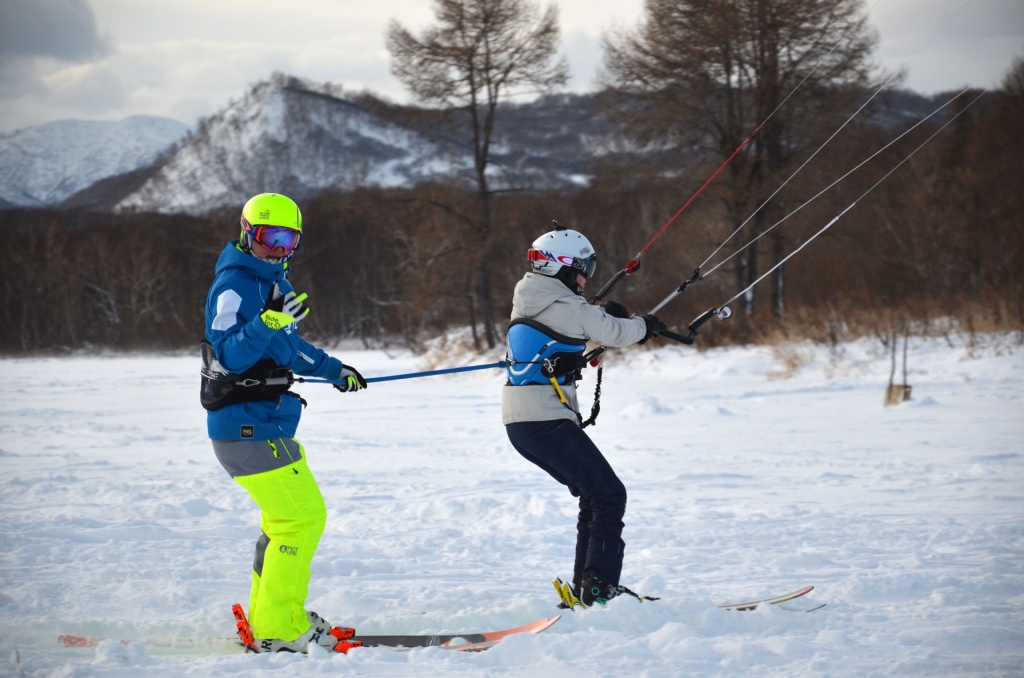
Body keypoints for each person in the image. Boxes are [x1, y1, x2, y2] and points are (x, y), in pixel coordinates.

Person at [201, 193, 368, 653]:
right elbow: (230, 356)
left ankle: (269, 619)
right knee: (302, 518)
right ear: (247, 233)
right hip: (244, 425)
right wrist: (266, 323)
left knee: (284, 524)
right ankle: (280, 627)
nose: (278, 247)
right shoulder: (234, 285)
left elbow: (292, 349)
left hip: (265, 424)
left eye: (288, 238)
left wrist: (337, 372)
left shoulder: (276, 284)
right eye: (269, 236)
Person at [502, 225, 667, 609]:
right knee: (609, 494)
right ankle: (599, 588)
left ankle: (587, 587)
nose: (584, 278)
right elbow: (611, 331)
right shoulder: (567, 305)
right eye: (582, 269)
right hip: (545, 420)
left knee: (595, 496)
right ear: (562, 266)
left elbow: (576, 331)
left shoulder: (531, 297)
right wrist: (645, 326)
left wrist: (594, 321)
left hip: (523, 423)